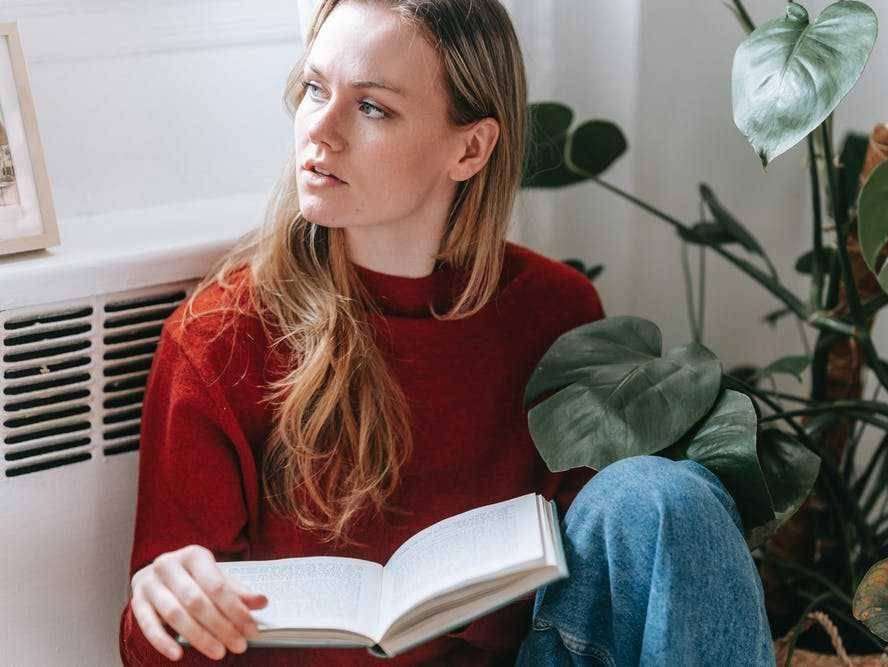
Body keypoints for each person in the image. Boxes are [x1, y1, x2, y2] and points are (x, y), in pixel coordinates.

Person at [119, 0, 775, 665]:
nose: (320, 129)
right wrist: (165, 605)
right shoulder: (221, 339)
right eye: (315, 88)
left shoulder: (554, 309)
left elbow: (605, 577)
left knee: (665, 496)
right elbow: (158, 645)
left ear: (470, 148)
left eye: (371, 107)